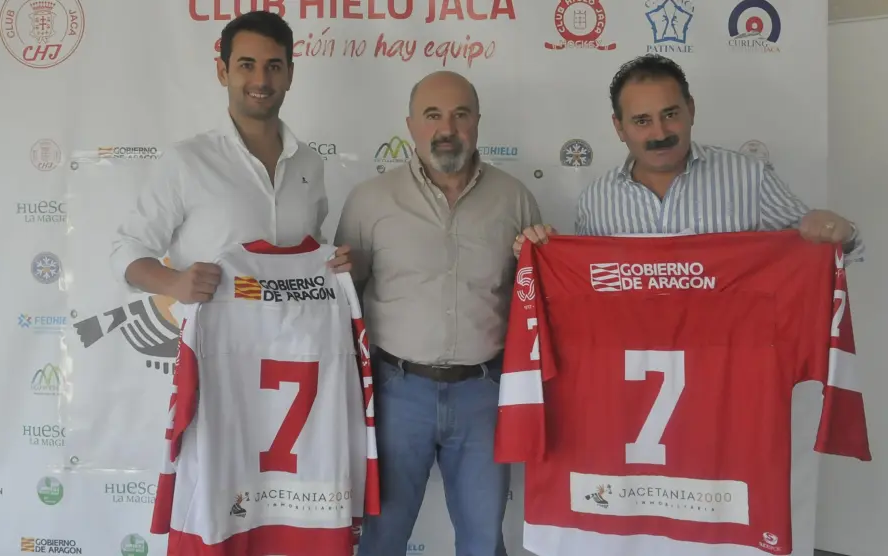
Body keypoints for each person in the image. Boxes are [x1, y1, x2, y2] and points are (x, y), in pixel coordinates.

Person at [335, 70, 542, 556]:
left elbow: (535, 299)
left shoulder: (514, 198)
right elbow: (343, 301)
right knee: (381, 539)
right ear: (410, 125)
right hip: (396, 395)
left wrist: (541, 251)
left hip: (483, 397)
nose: (446, 128)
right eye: (432, 116)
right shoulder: (370, 200)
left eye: (460, 114)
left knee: (484, 541)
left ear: (477, 122)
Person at [514, 54, 864, 263]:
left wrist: (842, 233)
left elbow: (820, 250)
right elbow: (590, 284)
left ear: (691, 110)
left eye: (670, 114)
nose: (659, 132)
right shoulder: (596, 200)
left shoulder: (748, 177)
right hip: (636, 372)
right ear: (619, 128)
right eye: (641, 121)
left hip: (731, 366)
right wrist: (547, 253)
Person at [110, 11, 349, 301]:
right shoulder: (186, 161)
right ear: (223, 72)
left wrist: (335, 264)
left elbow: (311, 250)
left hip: (301, 340)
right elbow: (128, 249)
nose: (261, 80)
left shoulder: (309, 163)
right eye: (246, 65)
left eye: (273, 66)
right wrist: (173, 283)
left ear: (290, 74)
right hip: (215, 343)